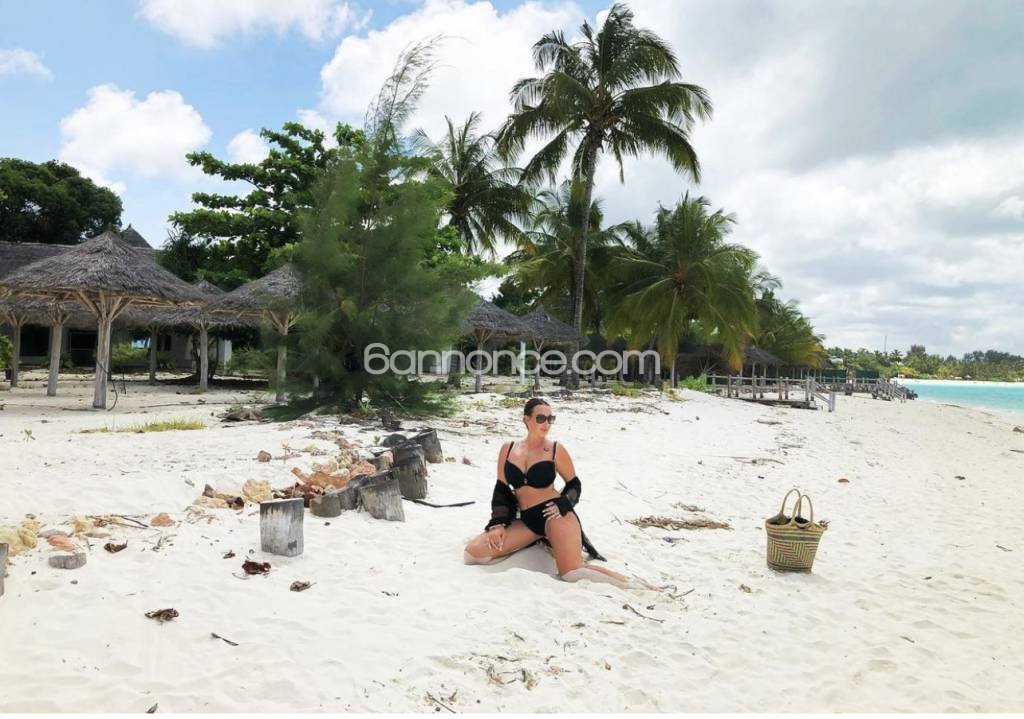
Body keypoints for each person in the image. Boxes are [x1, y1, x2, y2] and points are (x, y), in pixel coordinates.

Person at [463, 397, 633, 587]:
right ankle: (538, 540)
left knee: (571, 573)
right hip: (527, 521)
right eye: (541, 418)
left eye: (550, 419)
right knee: (472, 554)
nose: (546, 423)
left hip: (555, 515)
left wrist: (564, 503)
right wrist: (498, 524)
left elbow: (574, 484)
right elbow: (501, 489)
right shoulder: (508, 449)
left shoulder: (555, 449)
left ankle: (631, 583)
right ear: (526, 419)